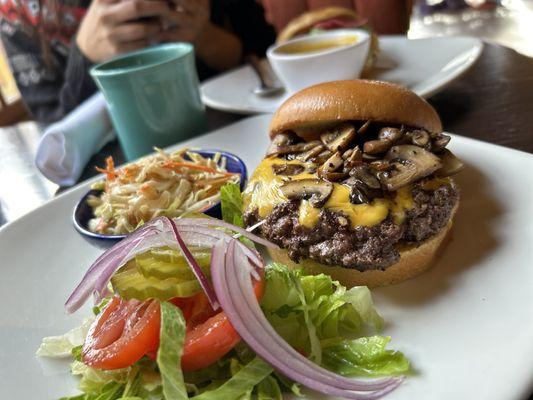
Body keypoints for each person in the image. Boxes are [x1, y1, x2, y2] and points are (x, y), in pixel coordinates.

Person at [0, 0, 275, 123]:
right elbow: (55, 137)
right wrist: (85, 59)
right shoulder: (20, 12)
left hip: (245, 133)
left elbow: (268, 49)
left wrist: (206, 37)